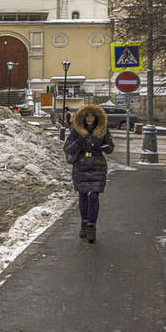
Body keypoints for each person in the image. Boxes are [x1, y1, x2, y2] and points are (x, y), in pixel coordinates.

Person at [64, 103, 115, 243]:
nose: (90, 118)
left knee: (93, 196)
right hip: (81, 166)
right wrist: (78, 142)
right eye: (88, 116)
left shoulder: (103, 130)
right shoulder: (76, 131)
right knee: (83, 196)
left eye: (93, 116)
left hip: (97, 166)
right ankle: (84, 223)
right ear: (84, 118)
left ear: (97, 118)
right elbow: (67, 148)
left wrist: (106, 146)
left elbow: (110, 148)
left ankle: (91, 226)